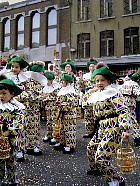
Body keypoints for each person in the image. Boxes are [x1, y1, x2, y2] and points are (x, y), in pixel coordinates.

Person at [86, 64, 130, 186]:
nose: (99, 83)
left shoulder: (113, 93)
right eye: (97, 81)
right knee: (91, 148)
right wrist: (91, 91)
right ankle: (96, 169)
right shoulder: (98, 93)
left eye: (102, 80)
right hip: (102, 127)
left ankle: (116, 179)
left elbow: (123, 111)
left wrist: (125, 129)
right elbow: (85, 103)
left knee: (101, 157)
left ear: (108, 81)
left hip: (113, 127)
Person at [4, 55, 48, 155]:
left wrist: (21, 96)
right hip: (17, 110)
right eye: (12, 66)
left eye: (16, 67)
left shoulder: (28, 79)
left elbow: (33, 92)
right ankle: (19, 150)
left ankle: (33, 146)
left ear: (21, 68)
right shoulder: (10, 80)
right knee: (19, 129)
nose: (13, 69)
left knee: (33, 127)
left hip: (32, 109)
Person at [0, 78, 25, 185]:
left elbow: (19, 123)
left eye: (4, 93)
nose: (1, 96)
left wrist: (8, 130)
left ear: (12, 94)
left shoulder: (17, 108)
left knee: (11, 160)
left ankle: (12, 179)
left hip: (10, 139)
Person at [52, 73, 78, 154]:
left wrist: (62, 105)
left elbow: (72, 103)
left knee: (69, 130)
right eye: (61, 81)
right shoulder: (61, 90)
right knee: (62, 129)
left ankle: (70, 146)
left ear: (68, 82)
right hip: (62, 114)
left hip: (69, 115)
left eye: (63, 82)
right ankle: (62, 143)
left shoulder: (71, 91)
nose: (61, 83)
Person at [119, 71, 140, 146]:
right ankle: (137, 138)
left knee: (123, 119)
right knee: (133, 121)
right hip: (130, 103)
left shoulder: (124, 84)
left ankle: (121, 137)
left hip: (122, 103)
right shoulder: (134, 85)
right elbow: (138, 93)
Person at [41, 72, 60, 143]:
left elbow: (55, 96)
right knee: (48, 121)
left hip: (54, 106)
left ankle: (55, 136)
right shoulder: (45, 86)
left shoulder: (56, 86)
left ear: (51, 80)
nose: (46, 82)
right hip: (47, 106)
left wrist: (47, 96)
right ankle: (49, 134)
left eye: (48, 80)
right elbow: (43, 96)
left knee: (54, 121)